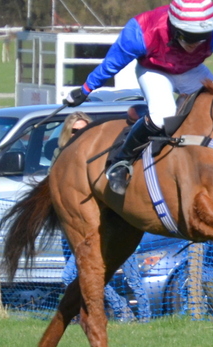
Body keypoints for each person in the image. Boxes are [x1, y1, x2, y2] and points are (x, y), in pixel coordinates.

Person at [63, 0, 213, 195]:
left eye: (201, 37)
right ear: (175, 27)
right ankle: (121, 160)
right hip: (153, 70)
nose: (196, 43)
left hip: (191, 70)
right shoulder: (140, 32)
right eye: (189, 37)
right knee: (163, 116)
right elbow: (111, 64)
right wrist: (86, 89)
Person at [56, 112, 151, 322]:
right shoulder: (62, 157)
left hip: (117, 224)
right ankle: (121, 310)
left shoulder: (104, 155)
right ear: (66, 133)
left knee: (132, 276)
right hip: (80, 226)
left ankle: (144, 318)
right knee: (78, 275)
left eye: (84, 130)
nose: (79, 135)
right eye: (75, 131)